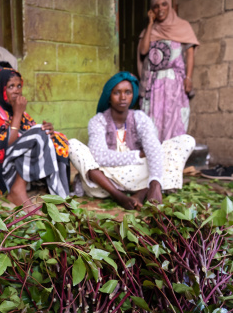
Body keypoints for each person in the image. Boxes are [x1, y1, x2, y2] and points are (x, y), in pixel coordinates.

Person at [69, 72, 195, 210]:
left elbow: (153, 148)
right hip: (106, 179)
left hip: (138, 175)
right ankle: (119, 195)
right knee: (73, 145)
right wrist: (138, 155)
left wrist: (155, 182)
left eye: (127, 92)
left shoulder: (140, 117)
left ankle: (146, 191)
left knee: (184, 142)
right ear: (109, 96)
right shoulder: (98, 121)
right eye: (117, 92)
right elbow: (99, 156)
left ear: (132, 95)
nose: (123, 97)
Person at [0, 68, 70, 212]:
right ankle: (17, 191)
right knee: (37, 134)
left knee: (53, 136)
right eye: (11, 86)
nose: (17, 91)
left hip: (13, 164)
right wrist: (17, 114)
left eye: (19, 86)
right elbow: (5, 145)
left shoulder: (15, 110)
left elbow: (30, 134)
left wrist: (48, 130)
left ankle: (60, 195)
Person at [137, 0, 199, 141]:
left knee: (175, 120)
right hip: (153, 84)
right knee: (152, 122)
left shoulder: (183, 26)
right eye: (156, 6)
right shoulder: (149, 30)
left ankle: (173, 161)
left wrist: (189, 78)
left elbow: (190, 54)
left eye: (164, 4)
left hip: (175, 83)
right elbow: (143, 51)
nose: (160, 9)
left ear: (170, 6)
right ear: (152, 10)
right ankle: (155, 159)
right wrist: (150, 24)